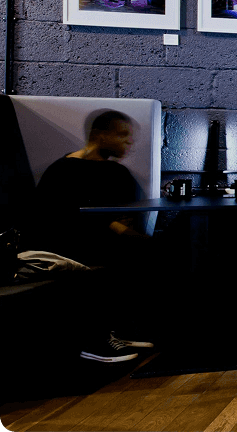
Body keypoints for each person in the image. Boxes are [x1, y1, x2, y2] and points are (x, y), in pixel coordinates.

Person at [35, 110, 156, 363]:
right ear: (101, 135)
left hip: (101, 242)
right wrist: (134, 237)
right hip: (67, 246)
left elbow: (123, 218)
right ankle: (94, 342)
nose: (129, 142)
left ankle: (116, 332)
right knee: (147, 253)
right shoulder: (63, 171)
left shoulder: (117, 173)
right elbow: (64, 221)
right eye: (122, 134)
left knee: (151, 252)